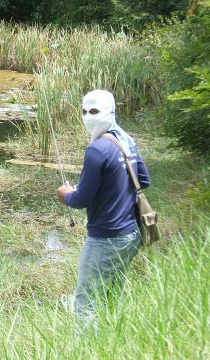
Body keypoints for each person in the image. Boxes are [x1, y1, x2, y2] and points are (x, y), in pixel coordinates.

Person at [57, 89, 151, 327]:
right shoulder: (125, 140)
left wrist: (65, 194)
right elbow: (144, 180)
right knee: (111, 294)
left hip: (106, 237)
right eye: (84, 111)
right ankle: (111, 341)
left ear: (110, 111)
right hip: (132, 234)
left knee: (85, 300)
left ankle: (88, 349)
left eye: (95, 111)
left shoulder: (96, 150)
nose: (89, 117)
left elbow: (80, 200)